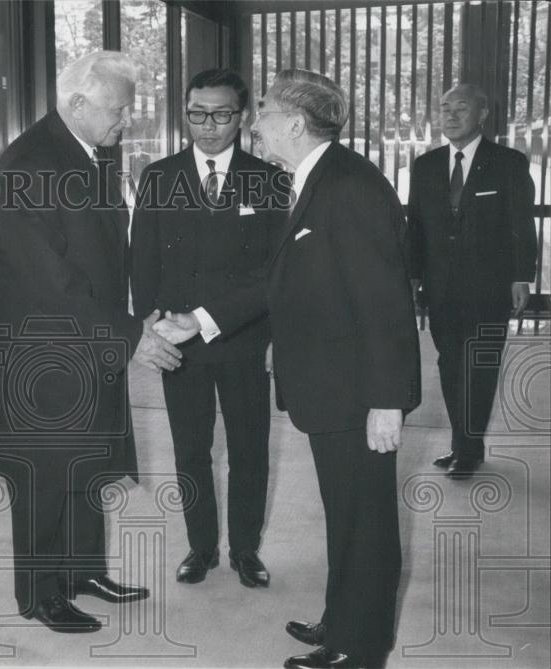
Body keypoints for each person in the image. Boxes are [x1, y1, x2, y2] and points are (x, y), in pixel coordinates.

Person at [156, 69, 420, 668]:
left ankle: (359, 649)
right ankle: (343, 621)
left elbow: (386, 302)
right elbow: (275, 282)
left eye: (267, 110)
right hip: (333, 387)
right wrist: (199, 319)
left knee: (366, 523)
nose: (256, 122)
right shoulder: (315, 178)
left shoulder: (348, 187)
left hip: (356, 392)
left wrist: (387, 400)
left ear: (296, 124)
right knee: (345, 516)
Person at [0, 50, 183, 633]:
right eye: (118, 109)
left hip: (81, 345)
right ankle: (39, 594)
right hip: (40, 355)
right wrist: (130, 334)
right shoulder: (29, 164)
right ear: (78, 102)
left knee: (84, 466)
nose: (126, 120)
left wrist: (140, 315)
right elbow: (49, 280)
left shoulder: (85, 154)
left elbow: (108, 254)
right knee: (44, 474)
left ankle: (81, 570)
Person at [131, 68, 287, 588]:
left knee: (249, 448)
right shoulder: (159, 177)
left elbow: (275, 272)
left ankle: (245, 548)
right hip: (180, 342)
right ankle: (200, 547)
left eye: (221, 114)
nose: (207, 126)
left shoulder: (268, 179)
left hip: (243, 338)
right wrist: (147, 327)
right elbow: (144, 260)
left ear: (242, 117)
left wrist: (273, 341)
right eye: (197, 114)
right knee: (190, 448)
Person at [408, 83, 538, 479]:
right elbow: (416, 226)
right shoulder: (425, 166)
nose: (448, 115)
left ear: (482, 114)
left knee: (478, 367)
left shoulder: (509, 163)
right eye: (444, 107)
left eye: (460, 108)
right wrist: (413, 278)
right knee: (449, 366)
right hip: (441, 288)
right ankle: (461, 444)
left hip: (490, 287)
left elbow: (521, 225)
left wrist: (521, 277)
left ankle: (469, 447)